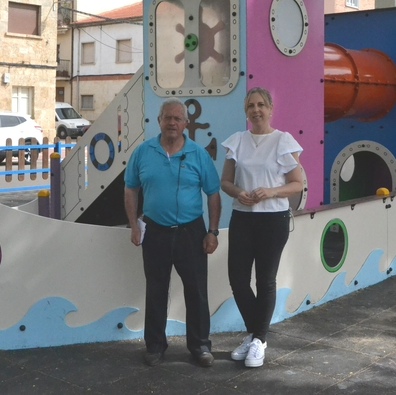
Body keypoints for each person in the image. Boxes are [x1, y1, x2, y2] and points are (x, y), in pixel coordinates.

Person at [124, 98, 222, 367]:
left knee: (196, 291)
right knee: (156, 290)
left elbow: (213, 193)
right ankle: (155, 346)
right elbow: (130, 188)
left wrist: (212, 232)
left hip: (191, 231)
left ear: (186, 124)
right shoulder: (142, 152)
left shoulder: (198, 154)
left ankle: (200, 346)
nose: (172, 123)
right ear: (159, 121)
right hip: (154, 231)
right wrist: (133, 225)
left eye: (178, 119)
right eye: (167, 117)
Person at [220, 87, 303, 368]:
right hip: (243, 218)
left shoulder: (282, 141)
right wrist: (238, 192)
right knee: (238, 280)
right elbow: (226, 182)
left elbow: (297, 183)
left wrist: (271, 191)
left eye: (260, 105)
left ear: (270, 109)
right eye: (250, 106)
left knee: (265, 281)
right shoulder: (237, 141)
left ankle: (258, 339)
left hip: (272, 219)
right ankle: (256, 334)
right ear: (246, 111)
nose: (256, 110)